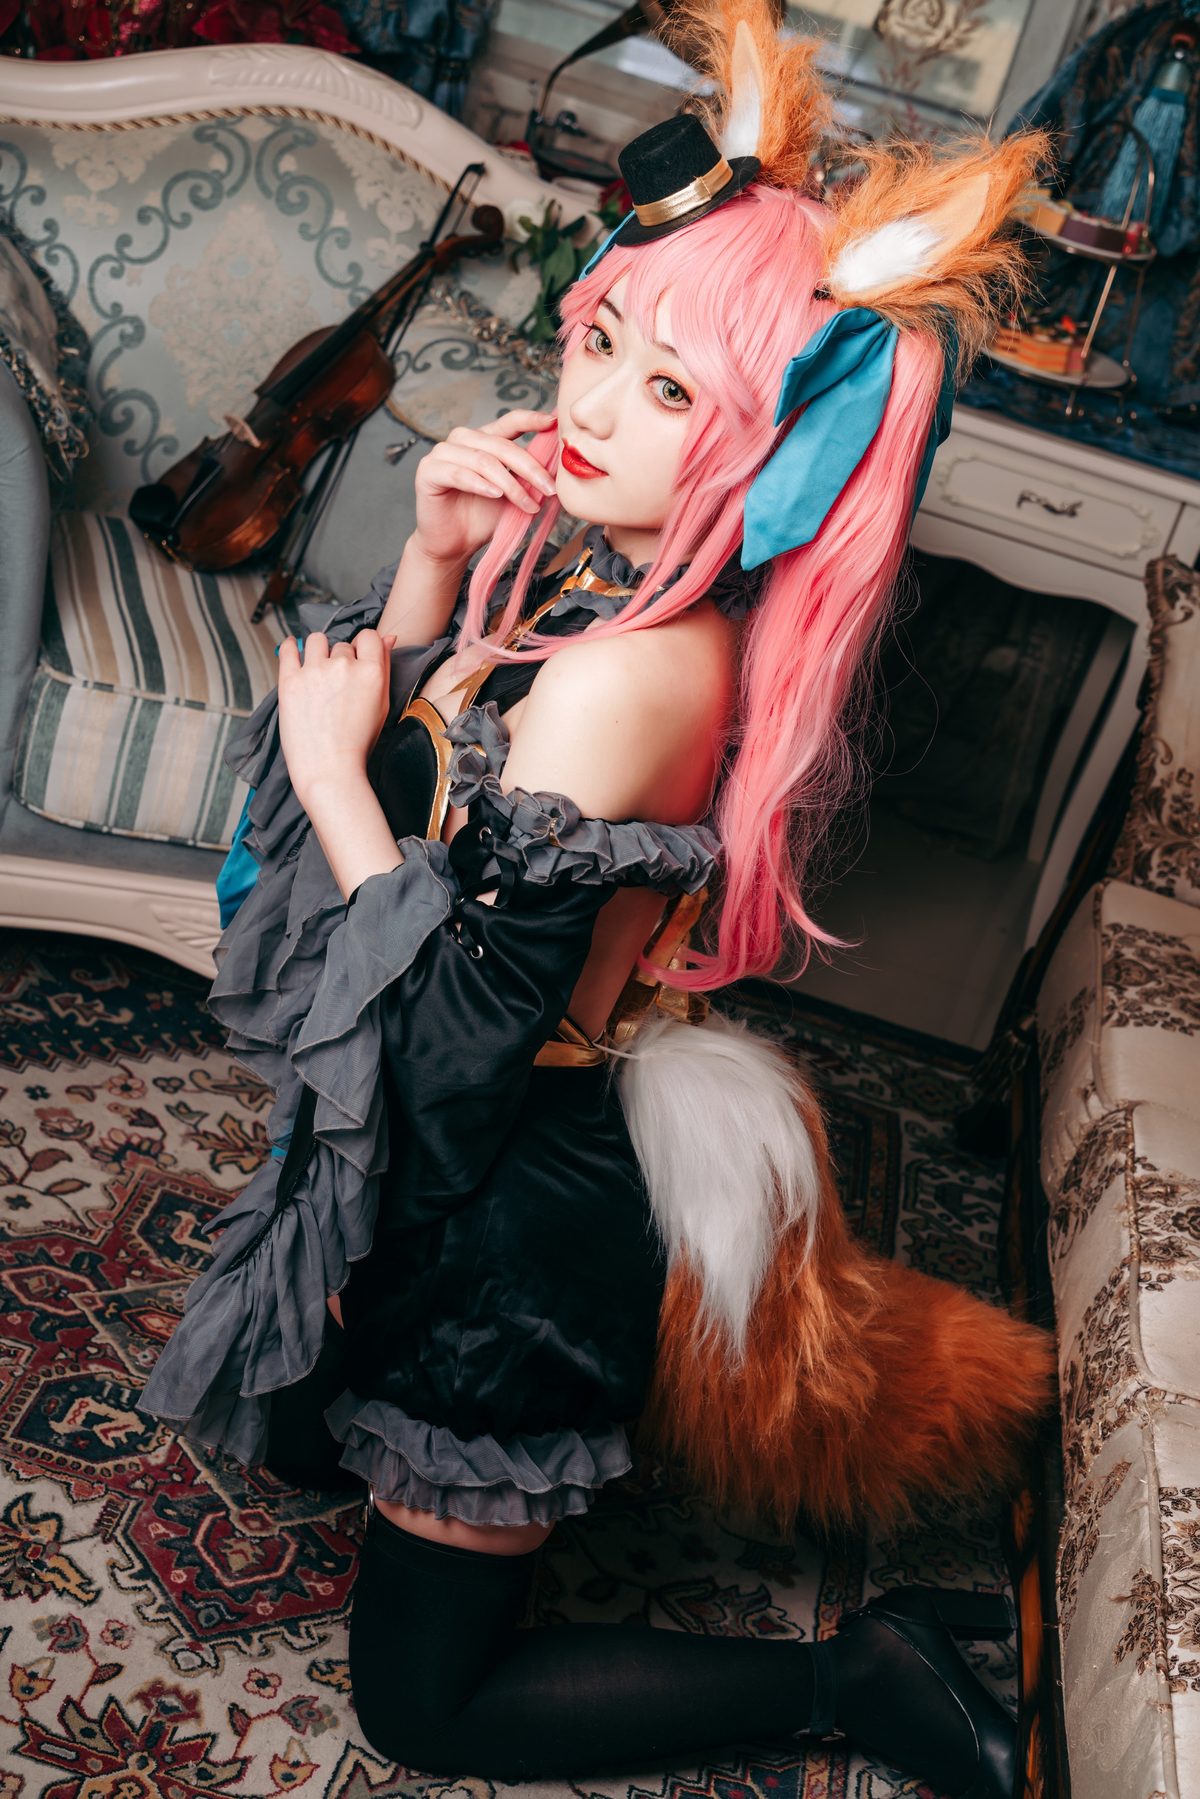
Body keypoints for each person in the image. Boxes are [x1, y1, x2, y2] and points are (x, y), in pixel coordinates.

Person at [139, 3, 1056, 1792]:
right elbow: (425, 807)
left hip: (510, 1214)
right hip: (460, 1158)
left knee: (425, 1710)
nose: (590, 405)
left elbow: (451, 1043)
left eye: (670, 392)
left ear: (770, 456)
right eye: (606, 339)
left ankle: (858, 1677)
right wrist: (427, 569)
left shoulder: (632, 676)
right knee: (301, 1434)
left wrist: (330, 780)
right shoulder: (599, 583)